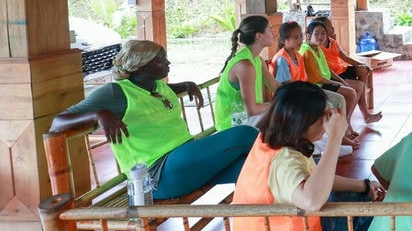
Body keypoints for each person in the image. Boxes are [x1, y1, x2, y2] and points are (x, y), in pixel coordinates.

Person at [50, 40, 258, 200]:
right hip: (156, 175)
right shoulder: (115, 93)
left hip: (185, 163)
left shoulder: (156, 84)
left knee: (258, 168)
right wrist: (98, 114)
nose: (167, 63)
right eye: (160, 60)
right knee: (244, 134)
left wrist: (186, 85)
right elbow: (58, 123)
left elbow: (156, 95)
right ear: (141, 68)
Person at [232, 82, 382, 231]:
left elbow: (317, 179)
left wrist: (362, 185)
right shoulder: (284, 161)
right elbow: (311, 200)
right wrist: (335, 138)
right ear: (302, 122)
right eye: (321, 117)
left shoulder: (270, 141)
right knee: (364, 211)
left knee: (353, 195)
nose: (325, 122)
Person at [269, 21, 353, 157]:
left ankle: (337, 140)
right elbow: (286, 88)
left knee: (339, 99)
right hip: (290, 99)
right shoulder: (282, 60)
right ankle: (328, 146)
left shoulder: (297, 55)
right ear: (285, 41)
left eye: (300, 36)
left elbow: (304, 78)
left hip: (302, 92)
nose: (299, 40)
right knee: (327, 106)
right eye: (295, 38)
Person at [300, 19, 362, 142]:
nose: (321, 37)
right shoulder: (307, 51)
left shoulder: (317, 48)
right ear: (308, 36)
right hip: (315, 86)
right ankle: (341, 132)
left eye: (323, 33)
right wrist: (337, 83)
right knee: (349, 94)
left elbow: (327, 70)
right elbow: (315, 78)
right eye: (316, 33)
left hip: (324, 82)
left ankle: (344, 126)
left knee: (351, 91)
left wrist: (341, 81)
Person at [215, 15, 281, 130]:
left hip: (249, 118)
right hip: (234, 126)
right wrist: (276, 105)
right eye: (269, 30)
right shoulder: (245, 65)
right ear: (259, 36)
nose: (273, 34)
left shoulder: (257, 60)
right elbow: (252, 109)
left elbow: (275, 86)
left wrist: (296, 95)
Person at [315, 16, 382, 125]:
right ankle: (353, 118)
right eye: (330, 27)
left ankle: (365, 114)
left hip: (342, 69)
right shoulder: (317, 47)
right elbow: (326, 70)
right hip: (333, 75)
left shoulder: (332, 42)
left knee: (362, 70)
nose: (333, 28)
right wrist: (341, 81)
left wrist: (361, 64)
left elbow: (344, 57)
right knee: (358, 86)